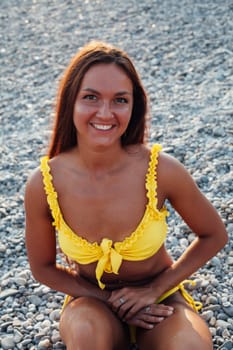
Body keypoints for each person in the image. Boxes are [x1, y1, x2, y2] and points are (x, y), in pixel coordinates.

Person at [24, 41, 228, 350]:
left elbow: (214, 234)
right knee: (87, 337)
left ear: (134, 107)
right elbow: (43, 267)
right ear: (70, 102)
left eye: (120, 100)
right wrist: (110, 300)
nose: (105, 113)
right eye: (91, 97)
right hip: (92, 302)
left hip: (160, 299)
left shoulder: (161, 170)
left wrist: (153, 290)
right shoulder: (44, 183)